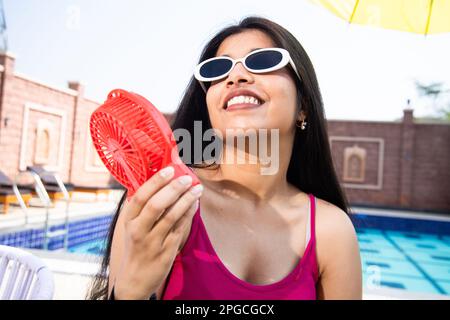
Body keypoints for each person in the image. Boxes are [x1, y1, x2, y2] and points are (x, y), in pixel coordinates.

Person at [88, 16, 362, 300]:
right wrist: (131, 290)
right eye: (218, 69)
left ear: (303, 105)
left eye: (264, 60)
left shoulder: (332, 232)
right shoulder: (166, 202)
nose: (235, 76)